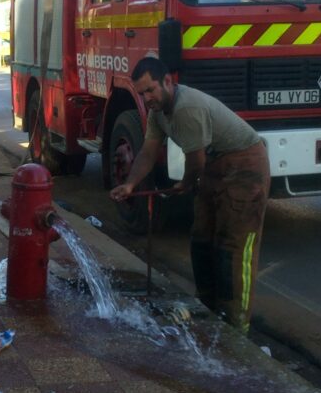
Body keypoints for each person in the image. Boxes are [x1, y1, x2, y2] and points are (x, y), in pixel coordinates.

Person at [110, 56, 270, 333]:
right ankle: (208, 308)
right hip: (215, 164)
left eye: (151, 90)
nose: (147, 98)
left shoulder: (187, 108)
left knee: (233, 245)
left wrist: (185, 184)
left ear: (168, 82)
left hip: (244, 165)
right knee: (201, 237)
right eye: (142, 93)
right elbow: (148, 151)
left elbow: (195, 162)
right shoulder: (158, 113)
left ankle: (236, 326)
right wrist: (131, 185)